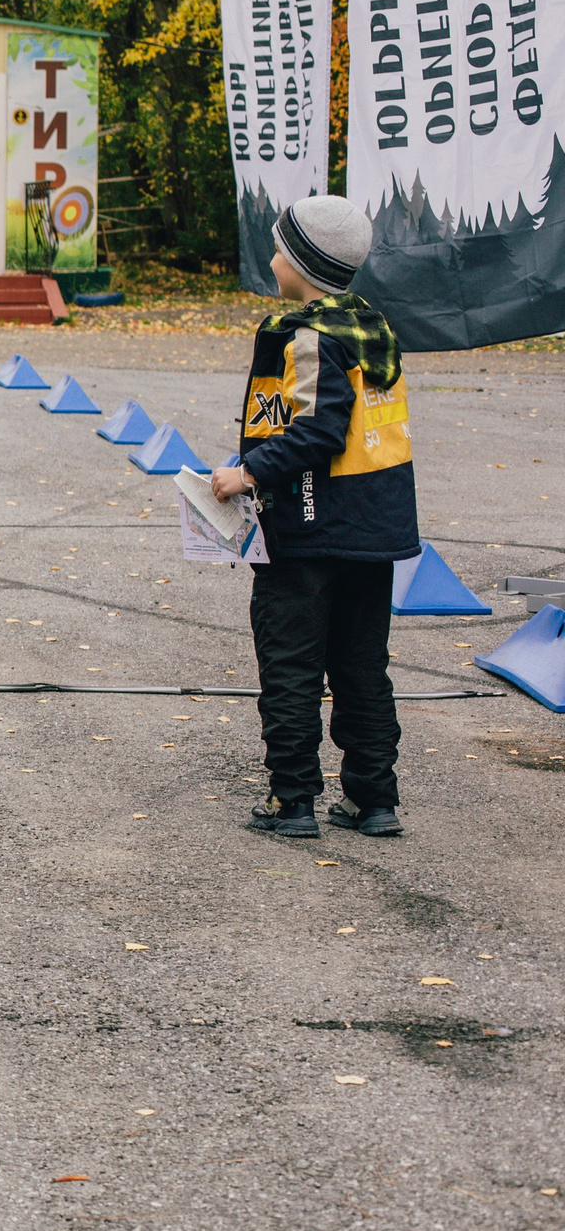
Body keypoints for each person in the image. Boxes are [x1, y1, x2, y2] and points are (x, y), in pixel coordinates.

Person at [209, 198, 419, 839]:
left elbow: (319, 429)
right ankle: (372, 800)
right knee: (361, 667)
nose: (271, 258)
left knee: (291, 666)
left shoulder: (306, 336)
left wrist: (247, 474)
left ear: (300, 264)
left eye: (278, 249)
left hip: (305, 532)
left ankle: (292, 801)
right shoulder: (371, 329)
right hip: (371, 532)